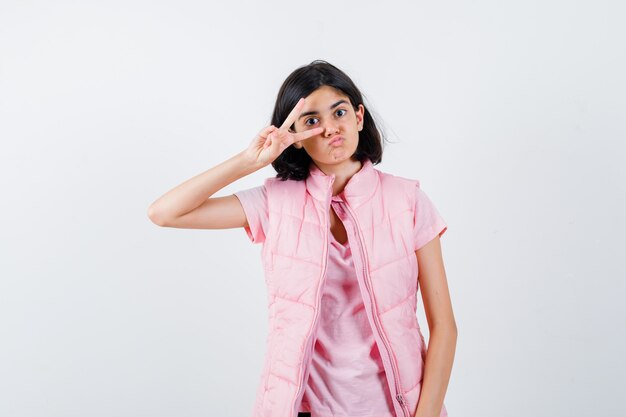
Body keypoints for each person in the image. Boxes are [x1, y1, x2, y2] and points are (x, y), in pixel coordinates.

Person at [147, 60, 457, 417]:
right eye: (311, 121)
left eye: (338, 112)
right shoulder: (275, 202)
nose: (329, 129)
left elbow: (444, 327)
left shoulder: (407, 201)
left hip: (396, 407)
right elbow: (165, 213)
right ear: (293, 136)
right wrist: (249, 161)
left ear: (358, 116)